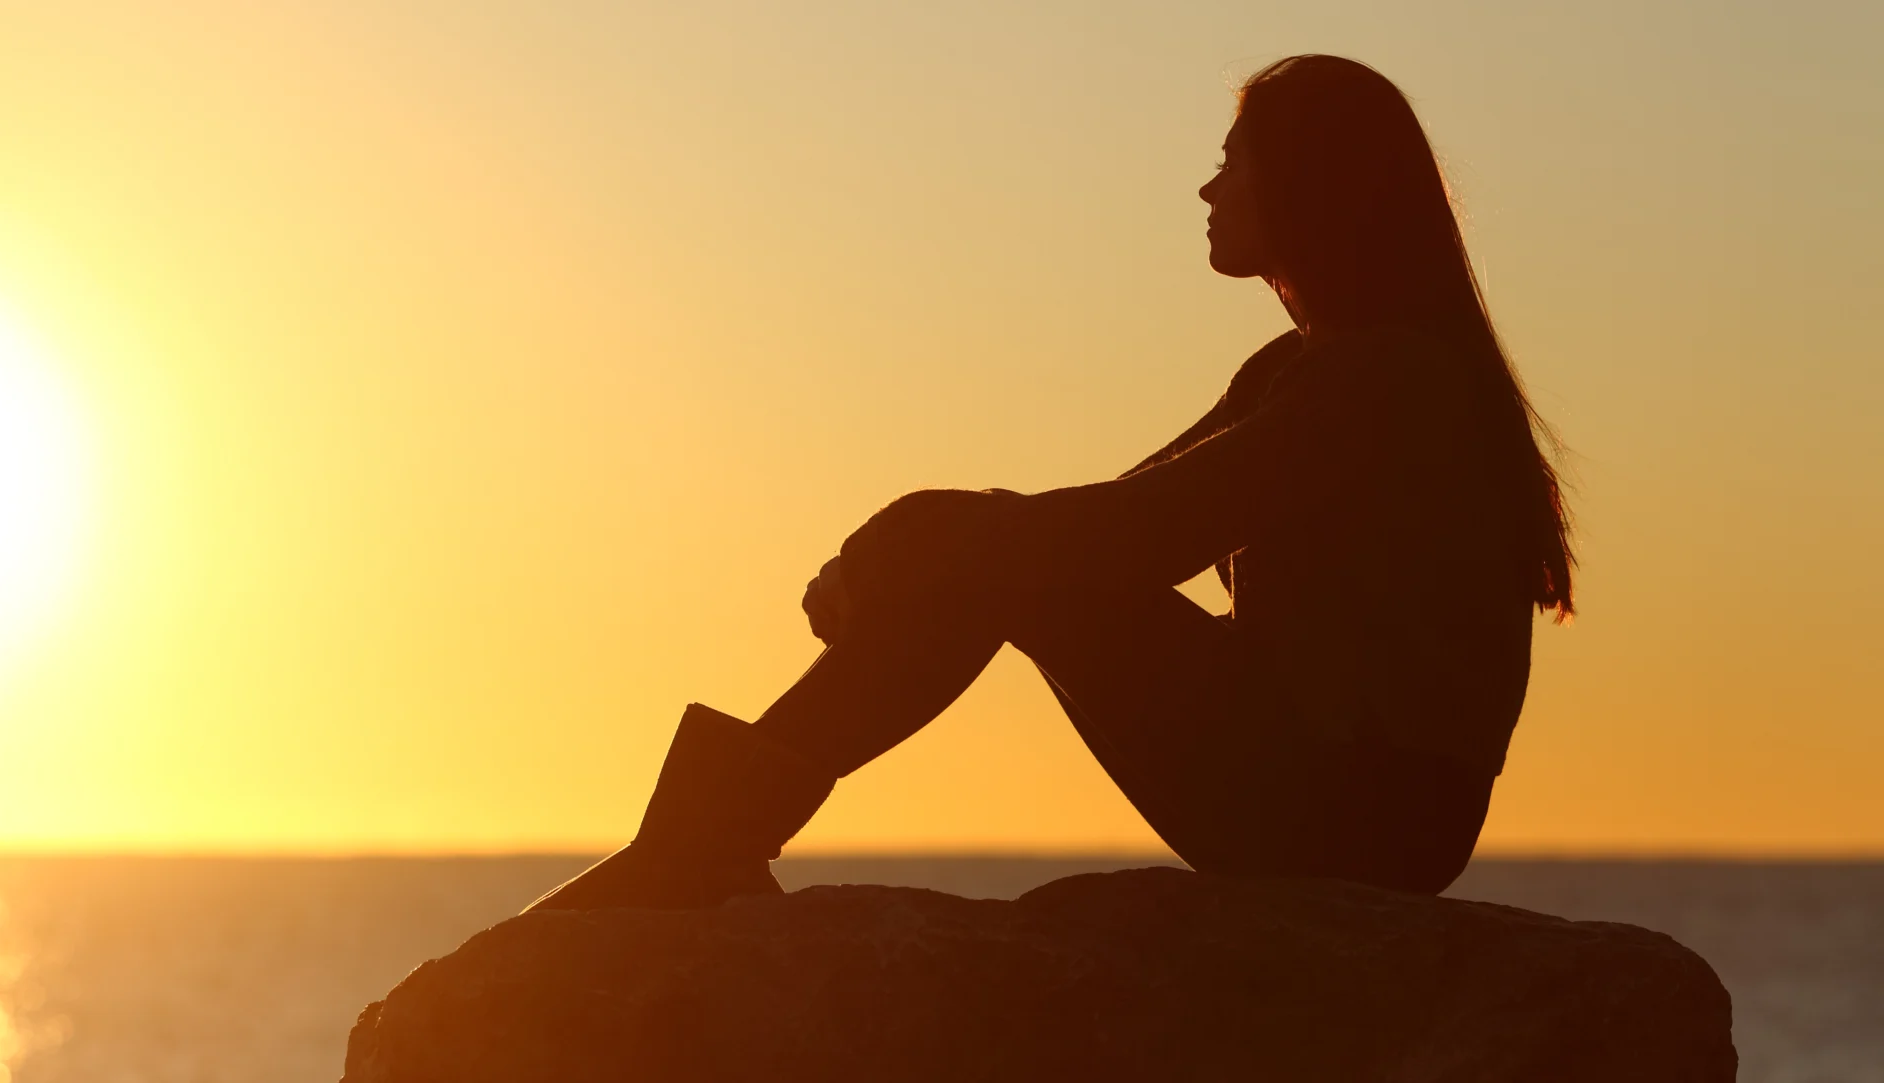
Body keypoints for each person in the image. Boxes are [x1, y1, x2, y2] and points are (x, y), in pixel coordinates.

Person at [532, 54, 1575, 911]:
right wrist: (937, 545)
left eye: (1233, 163)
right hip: (1317, 784)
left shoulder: (1390, 378)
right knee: (1005, 559)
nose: (1209, 190)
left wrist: (914, 536)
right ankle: (701, 838)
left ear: (1310, 181)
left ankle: (698, 840)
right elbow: (1107, 521)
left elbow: (1135, 537)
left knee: (1005, 563)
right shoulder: (1302, 370)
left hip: (1361, 816)